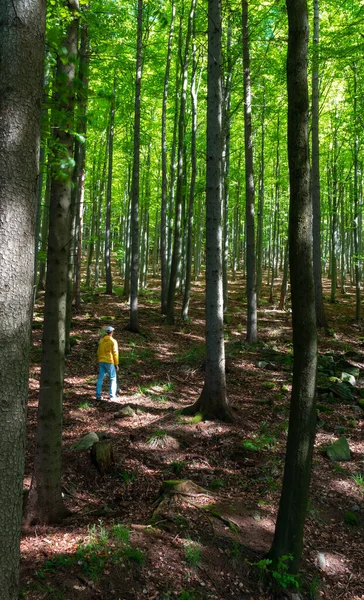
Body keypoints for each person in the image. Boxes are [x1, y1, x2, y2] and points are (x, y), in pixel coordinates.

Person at [96, 326, 119, 400]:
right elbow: (115, 353)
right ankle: (112, 396)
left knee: (100, 378)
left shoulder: (101, 341)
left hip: (102, 361)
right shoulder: (113, 341)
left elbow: (98, 352)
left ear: (106, 332)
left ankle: (98, 395)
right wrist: (116, 364)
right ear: (112, 332)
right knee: (113, 378)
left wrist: (99, 360)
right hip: (110, 362)